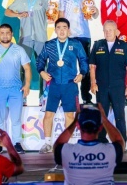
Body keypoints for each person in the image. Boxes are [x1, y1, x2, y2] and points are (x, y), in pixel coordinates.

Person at [54, 104, 125, 185]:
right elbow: (119, 140)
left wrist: (74, 121)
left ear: (78, 126)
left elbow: (57, 144)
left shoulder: (66, 151)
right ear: (100, 128)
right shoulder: (110, 151)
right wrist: (104, 118)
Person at [36, 17, 89, 154]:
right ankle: (47, 143)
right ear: (55, 30)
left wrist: (82, 73)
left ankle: (69, 144)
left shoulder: (76, 44)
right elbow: (40, 60)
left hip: (70, 84)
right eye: (58, 28)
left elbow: (84, 60)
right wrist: (41, 71)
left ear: (68, 30)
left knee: (69, 115)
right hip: (53, 85)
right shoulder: (49, 45)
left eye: (64, 27)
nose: (61, 30)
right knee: (48, 115)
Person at [0, 23, 31, 154]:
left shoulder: (19, 50)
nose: (5, 35)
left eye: (7, 33)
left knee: (16, 119)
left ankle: (17, 143)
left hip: (16, 90)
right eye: (2, 33)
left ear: (12, 34)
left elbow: (27, 68)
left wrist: (27, 85)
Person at [5, 0, 51, 100]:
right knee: (22, 66)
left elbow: (52, 14)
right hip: (25, 37)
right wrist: (18, 14)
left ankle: (43, 97)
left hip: (41, 37)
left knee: (43, 67)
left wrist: (52, 16)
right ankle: (22, 97)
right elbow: (7, 12)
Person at [89, 20, 127, 143]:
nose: (108, 32)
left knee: (119, 115)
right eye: (105, 30)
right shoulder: (97, 45)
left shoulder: (124, 46)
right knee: (102, 115)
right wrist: (93, 83)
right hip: (101, 86)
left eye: (110, 30)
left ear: (116, 31)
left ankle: (121, 142)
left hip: (118, 87)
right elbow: (92, 67)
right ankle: (101, 140)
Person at [59, 0, 98, 104]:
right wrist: (63, 32)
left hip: (84, 35)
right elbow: (61, 15)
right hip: (69, 36)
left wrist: (95, 11)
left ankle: (86, 98)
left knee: (84, 66)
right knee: (67, 67)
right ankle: (69, 97)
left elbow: (94, 15)